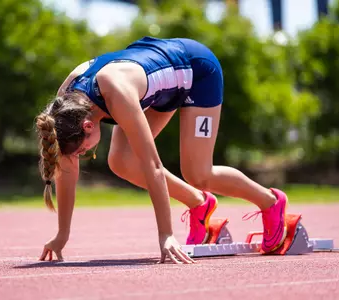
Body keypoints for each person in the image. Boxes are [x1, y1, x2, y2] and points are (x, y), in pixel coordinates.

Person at [35, 36, 288, 264]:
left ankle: (271, 201)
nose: (82, 156)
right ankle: (199, 204)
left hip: (197, 71)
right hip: (156, 85)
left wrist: (166, 235)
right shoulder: (64, 107)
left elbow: (153, 165)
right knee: (121, 161)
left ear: (88, 126)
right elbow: (66, 171)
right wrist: (62, 234)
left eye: (81, 151)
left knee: (198, 173)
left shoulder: (116, 93)